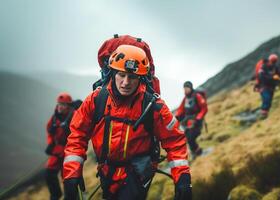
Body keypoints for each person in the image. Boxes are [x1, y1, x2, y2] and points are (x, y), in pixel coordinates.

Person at [63, 44, 191, 200]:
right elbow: (77, 134)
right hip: (106, 170)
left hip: (138, 172)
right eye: (121, 75)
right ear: (112, 73)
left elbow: (175, 141)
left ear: (141, 78)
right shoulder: (96, 99)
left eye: (132, 77)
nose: (125, 82)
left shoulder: (153, 106)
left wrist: (183, 179)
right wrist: (71, 174)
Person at [45, 92, 74, 200]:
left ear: (69, 106)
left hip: (70, 151)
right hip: (57, 150)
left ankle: (70, 198)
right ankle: (55, 195)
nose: (60, 107)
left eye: (63, 104)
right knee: (48, 173)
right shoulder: (54, 117)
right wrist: (50, 143)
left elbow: (80, 134)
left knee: (67, 178)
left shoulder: (74, 116)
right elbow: (49, 130)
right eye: (59, 104)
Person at [176, 81, 208, 158]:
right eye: (184, 88)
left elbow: (204, 108)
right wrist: (177, 117)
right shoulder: (185, 99)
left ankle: (198, 152)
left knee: (191, 138)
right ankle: (196, 153)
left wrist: (198, 118)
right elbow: (181, 109)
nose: (185, 90)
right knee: (188, 137)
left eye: (187, 88)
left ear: (190, 88)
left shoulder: (197, 96)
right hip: (188, 122)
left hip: (197, 121)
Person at [257, 54, 280, 118]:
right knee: (267, 99)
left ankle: (265, 114)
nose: (272, 63)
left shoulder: (275, 67)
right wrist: (272, 77)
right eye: (272, 61)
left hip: (272, 87)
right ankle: (262, 115)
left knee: (269, 101)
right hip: (263, 86)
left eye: (274, 61)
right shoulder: (263, 67)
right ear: (269, 60)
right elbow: (262, 77)